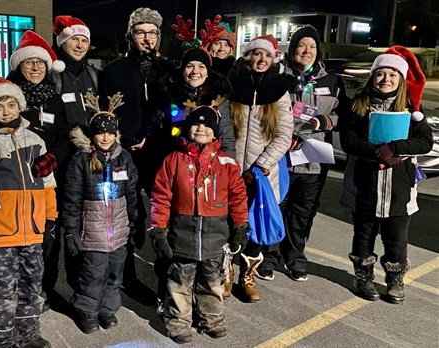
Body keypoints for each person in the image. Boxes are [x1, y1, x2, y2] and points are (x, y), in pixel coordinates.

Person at [0, 77, 57, 347]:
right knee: (2, 290)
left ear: (20, 106)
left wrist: (50, 219)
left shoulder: (36, 139)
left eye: (12, 104)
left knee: (31, 286)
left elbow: (48, 184)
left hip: (33, 231)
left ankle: (28, 335)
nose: (6, 111)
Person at [339, 46, 432, 304]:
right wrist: (377, 152)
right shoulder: (358, 105)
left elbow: (425, 141)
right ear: (373, 76)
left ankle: (394, 280)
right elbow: (348, 141)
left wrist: (395, 148)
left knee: (396, 239)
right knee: (363, 235)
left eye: (393, 74)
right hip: (364, 185)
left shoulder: (412, 109)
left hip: (399, 188)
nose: (386, 79)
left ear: (400, 79)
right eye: (381, 73)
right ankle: (363, 276)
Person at [150, 106, 249, 344]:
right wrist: (159, 229)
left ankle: (211, 319)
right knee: (180, 282)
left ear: (215, 133)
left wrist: (240, 225)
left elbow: (238, 196)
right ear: (188, 128)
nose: (201, 129)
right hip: (183, 232)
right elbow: (161, 196)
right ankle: (178, 322)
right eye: (196, 124)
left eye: (206, 126)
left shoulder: (227, 163)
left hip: (216, 234)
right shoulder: (174, 160)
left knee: (212, 281)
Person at [259, 25, 347, 282]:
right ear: (293, 49)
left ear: (318, 51)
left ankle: (295, 256)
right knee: (276, 206)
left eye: (312, 46)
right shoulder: (277, 76)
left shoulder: (331, 81)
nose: (306, 51)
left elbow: (345, 115)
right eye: (301, 45)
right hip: (281, 156)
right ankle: (269, 256)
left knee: (303, 210)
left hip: (313, 158)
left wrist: (325, 121)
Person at [149, 46, 235, 309]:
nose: (195, 71)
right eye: (189, 66)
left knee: (205, 243)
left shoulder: (219, 100)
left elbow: (228, 138)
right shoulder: (169, 96)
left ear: (208, 72)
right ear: (182, 70)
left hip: (209, 178)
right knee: (173, 241)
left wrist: (228, 171)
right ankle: (168, 293)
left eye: (201, 67)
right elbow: (157, 133)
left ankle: (202, 299)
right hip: (177, 176)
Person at [98, 7, 176, 293]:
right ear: (131, 35)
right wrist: (121, 136)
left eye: (152, 32)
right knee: (126, 215)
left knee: (163, 215)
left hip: (161, 154)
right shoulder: (114, 70)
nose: (147, 38)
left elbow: (176, 112)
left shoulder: (167, 70)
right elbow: (106, 112)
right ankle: (127, 277)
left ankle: (166, 276)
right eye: (141, 32)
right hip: (125, 152)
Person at [6, 30, 72, 307]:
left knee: (48, 235)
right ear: (19, 65)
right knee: (18, 236)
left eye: (40, 63)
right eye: (29, 62)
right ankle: (16, 291)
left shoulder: (53, 98)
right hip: (14, 178)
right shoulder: (6, 94)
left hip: (47, 178)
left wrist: (54, 157)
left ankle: (45, 287)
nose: (35, 68)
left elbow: (65, 135)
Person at [63, 93, 138, 334]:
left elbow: (132, 192)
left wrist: (134, 219)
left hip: (118, 229)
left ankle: (108, 309)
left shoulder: (124, 158)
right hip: (92, 230)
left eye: (110, 132)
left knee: (115, 273)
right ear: (92, 134)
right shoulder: (81, 160)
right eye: (99, 132)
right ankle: (87, 311)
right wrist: (71, 230)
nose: (105, 137)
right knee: (93, 274)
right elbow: (72, 198)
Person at [226, 35, 293, 302]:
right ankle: (225, 271)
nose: (261, 60)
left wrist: (262, 165)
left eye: (266, 55)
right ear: (247, 57)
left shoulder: (279, 89)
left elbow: (284, 133)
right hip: (232, 172)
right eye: (256, 54)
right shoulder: (233, 87)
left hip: (261, 174)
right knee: (230, 224)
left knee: (255, 227)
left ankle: (248, 275)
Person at [45, 15, 98, 294]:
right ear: (63, 42)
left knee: (80, 223)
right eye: (74, 39)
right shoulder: (52, 73)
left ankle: (79, 286)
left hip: (87, 159)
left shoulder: (92, 75)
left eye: (83, 40)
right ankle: (47, 287)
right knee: (53, 225)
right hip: (60, 158)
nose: (79, 44)